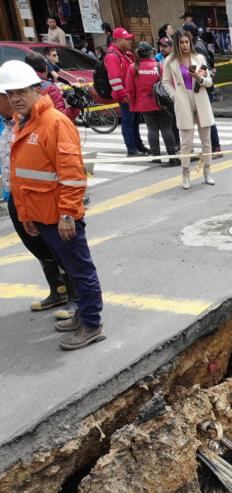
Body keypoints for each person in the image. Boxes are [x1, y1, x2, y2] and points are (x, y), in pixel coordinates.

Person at [3, 60, 105, 350]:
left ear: (37, 89)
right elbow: (21, 176)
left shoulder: (54, 123)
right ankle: (83, 314)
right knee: (71, 269)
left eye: (20, 92)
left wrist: (68, 215)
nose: (14, 99)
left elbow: (72, 175)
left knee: (79, 269)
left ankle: (91, 323)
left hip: (60, 217)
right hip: (41, 215)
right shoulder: (23, 123)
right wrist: (26, 215)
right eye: (10, 94)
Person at [0, 74, 74, 316]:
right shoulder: (13, 124)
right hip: (16, 195)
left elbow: (68, 168)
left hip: (44, 197)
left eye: (13, 95)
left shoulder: (41, 122)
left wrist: (67, 210)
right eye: (9, 95)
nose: (12, 101)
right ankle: (58, 290)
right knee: (37, 247)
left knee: (60, 249)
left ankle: (76, 298)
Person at [161, 29, 215, 189]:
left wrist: (199, 78)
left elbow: (209, 82)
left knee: (206, 140)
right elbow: (165, 82)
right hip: (183, 100)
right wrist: (175, 96)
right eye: (181, 43)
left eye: (187, 42)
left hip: (201, 99)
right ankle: (185, 174)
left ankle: (207, 171)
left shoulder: (198, 58)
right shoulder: (170, 61)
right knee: (186, 141)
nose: (185, 45)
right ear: (176, 45)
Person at [127, 42, 178, 166]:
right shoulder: (159, 66)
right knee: (166, 128)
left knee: (152, 129)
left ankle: (156, 156)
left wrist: (133, 103)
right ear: (151, 53)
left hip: (144, 103)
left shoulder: (133, 67)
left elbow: (130, 89)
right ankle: (172, 155)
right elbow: (169, 83)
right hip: (162, 102)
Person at [104, 27, 147, 156]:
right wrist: (124, 95)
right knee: (128, 122)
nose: (130, 41)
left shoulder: (124, 54)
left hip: (131, 94)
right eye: (127, 39)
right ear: (118, 40)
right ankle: (132, 149)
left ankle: (138, 145)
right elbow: (114, 79)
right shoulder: (112, 56)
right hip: (125, 96)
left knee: (134, 121)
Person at [181, 22, 222, 157]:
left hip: (200, 88)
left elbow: (202, 70)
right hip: (199, 88)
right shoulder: (200, 44)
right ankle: (214, 147)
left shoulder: (197, 48)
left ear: (190, 34)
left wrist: (198, 79)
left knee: (206, 120)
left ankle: (214, 147)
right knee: (205, 119)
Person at [25, 53, 78, 121]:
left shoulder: (20, 84)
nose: (57, 56)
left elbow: (61, 72)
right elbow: (60, 116)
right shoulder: (49, 86)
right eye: (54, 55)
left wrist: (72, 80)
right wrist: (76, 107)